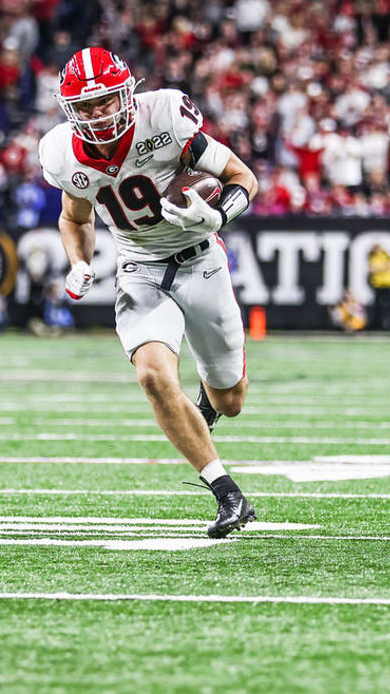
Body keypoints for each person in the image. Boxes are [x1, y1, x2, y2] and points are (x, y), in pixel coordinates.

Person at [38, 47, 259, 537]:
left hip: (200, 259)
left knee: (230, 401)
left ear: (127, 94)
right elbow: (75, 217)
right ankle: (227, 494)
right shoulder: (62, 153)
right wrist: (78, 261)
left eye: (106, 102)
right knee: (153, 376)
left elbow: (243, 177)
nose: (98, 115)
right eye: (86, 107)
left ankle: (207, 401)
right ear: (68, 108)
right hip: (138, 266)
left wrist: (218, 215)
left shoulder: (166, 117)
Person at [367, 244, 390, 330]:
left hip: (387, 284)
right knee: (377, 307)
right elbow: (370, 270)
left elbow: (388, 267)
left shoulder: (385, 255)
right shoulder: (372, 257)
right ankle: (377, 325)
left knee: (389, 307)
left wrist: (377, 269)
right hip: (377, 285)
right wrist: (380, 269)